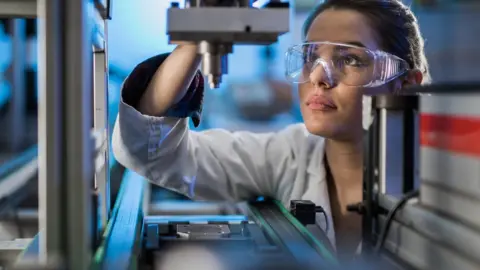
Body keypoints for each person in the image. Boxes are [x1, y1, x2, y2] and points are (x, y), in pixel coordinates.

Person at [112, 0, 431, 260]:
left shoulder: (448, 185)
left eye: (350, 59)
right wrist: (198, 39)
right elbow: (150, 151)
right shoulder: (291, 154)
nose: (319, 77)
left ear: (405, 85)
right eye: (310, 57)